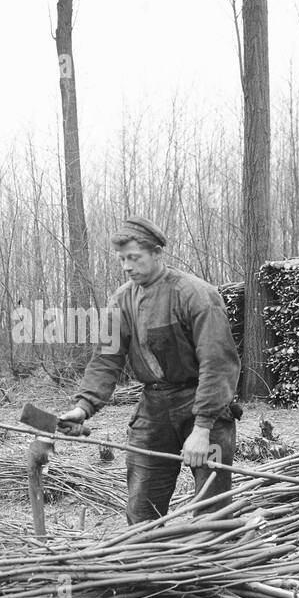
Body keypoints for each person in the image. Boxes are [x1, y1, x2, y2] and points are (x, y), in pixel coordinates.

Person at [59, 216, 240, 524]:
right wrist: (83, 407)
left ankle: (214, 563)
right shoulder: (122, 301)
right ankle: (147, 563)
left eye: (134, 258)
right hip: (153, 408)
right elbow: (106, 359)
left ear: (157, 253)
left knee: (212, 506)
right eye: (122, 260)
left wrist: (203, 427)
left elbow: (217, 362)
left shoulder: (195, 294)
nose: (127, 267)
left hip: (201, 402)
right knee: (142, 507)